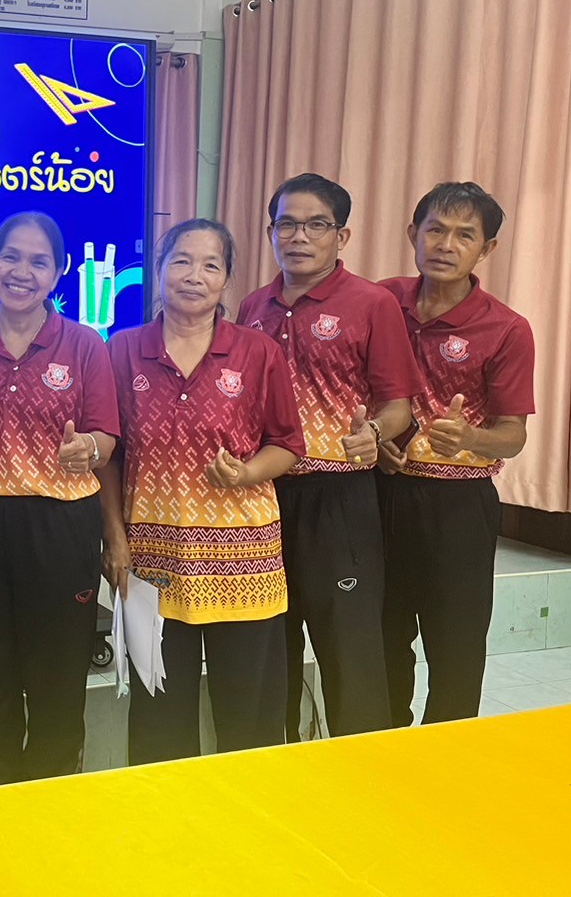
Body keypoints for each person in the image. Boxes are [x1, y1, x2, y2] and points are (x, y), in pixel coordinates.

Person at [103, 220, 304, 762]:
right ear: (159, 270)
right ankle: (166, 809)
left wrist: (246, 473)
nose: (194, 275)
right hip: (154, 561)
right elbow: (111, 456)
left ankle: (250, 806)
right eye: (181, 261)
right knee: (159, 718)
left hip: (245, 561)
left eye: (211, 265)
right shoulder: (123, 350)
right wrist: (115, 539)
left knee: (250, 715)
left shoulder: (258, 352)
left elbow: (288, 444)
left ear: (227, 280)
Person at [0, 211, 120, 787]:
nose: (22, 271)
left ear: (59, 273)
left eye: (39, 261)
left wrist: (87, 449)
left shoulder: (85, 345)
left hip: (60, 526)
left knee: (57, 679)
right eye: (10, 256)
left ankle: (50, 808)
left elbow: (106, 440)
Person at [237, 173, 420, 740]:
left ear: (342, 237)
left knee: (349, 646)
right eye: (287, 224)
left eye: (316, 225)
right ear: (271, 232)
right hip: (263, 498)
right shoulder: (252, 307)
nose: (299, 236)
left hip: (339, 497)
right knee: (270, 644)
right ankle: (277, 759)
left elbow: (398, 405)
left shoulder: (372, 304)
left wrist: (375, 435)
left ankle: (357, 767)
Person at [378, 182, 535, 725]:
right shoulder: (381, 303)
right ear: (413, 234)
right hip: (378, 493)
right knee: (380, 636)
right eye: (435, 230)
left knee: (456, 645)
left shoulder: (506, 328)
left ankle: (447, 753)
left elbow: (513, 434)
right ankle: (385, 745)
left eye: (465, 235)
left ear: (486, 248)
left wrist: (469, 438)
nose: (446, 245)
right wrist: (375, 442)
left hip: (458, 505)